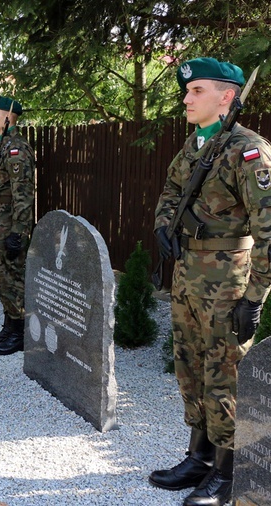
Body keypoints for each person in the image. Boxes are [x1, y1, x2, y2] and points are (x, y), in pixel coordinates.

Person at [150, 57, 271, 506]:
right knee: (190, 368)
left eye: (195, 90)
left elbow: (269, 229)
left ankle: (227, 472)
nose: (186, 98)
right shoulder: (196, 145)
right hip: (188, 277)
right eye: (187, 91)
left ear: (227, 96)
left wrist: (255, 296)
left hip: (227, 282)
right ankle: (198, 457)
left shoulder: (249, 150)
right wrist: (164, 226)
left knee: (223, 377)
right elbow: (169, 194)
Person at [0, 96, 35, 356]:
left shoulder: (17, 148)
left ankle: (21, 333)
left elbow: (23, 193)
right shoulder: (2, 144)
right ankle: (9, 327)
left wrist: (19, 232)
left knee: (12, 277)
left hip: (8, 224)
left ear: (8, 117)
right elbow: (3, 183)